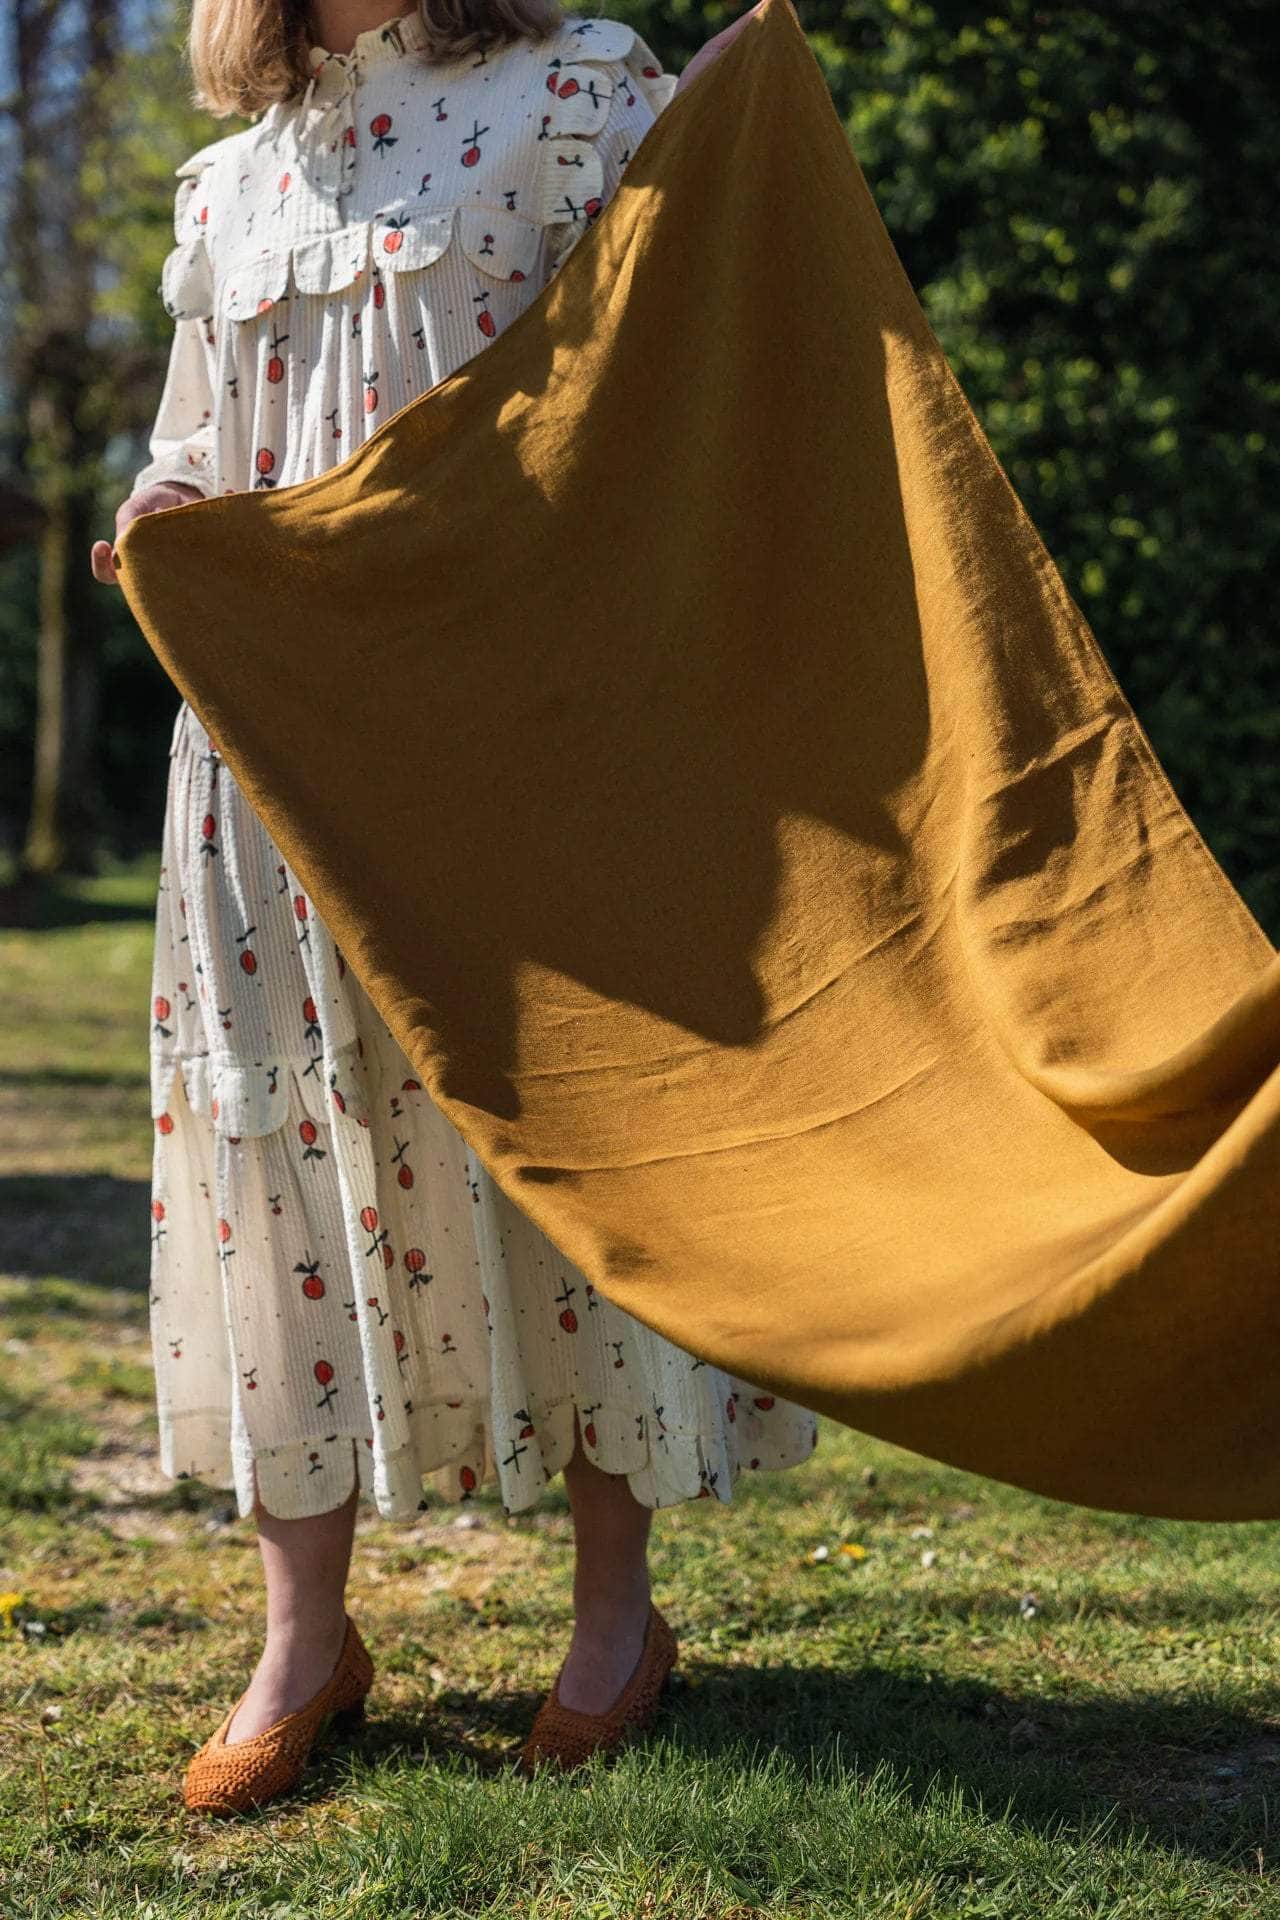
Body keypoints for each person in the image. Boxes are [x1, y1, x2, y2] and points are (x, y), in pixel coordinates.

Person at [91, 0, 817, 1816]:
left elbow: (698, 368)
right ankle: (304, 1640)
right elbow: (193, 437)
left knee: (555, 1142)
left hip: (521, 738)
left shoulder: (572, 87)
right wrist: (166, 508)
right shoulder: (236, 176)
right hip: (269, 759)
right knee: (287, 1159)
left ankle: (614, 1619)